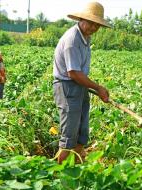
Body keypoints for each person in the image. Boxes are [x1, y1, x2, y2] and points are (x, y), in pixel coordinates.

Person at [53, 2, 111, 164]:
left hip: (79, 86)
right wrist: (98, 87)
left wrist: (93, 88)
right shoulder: (72, 40)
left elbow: (79, 74)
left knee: (81, 131)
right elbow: (74, 73)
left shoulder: (84, 37)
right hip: (67, 88)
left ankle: (78, 169)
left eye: (97, 25)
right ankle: (58, 175)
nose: (93, 27)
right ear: (81, 19)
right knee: (69, 135)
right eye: (91, 23)